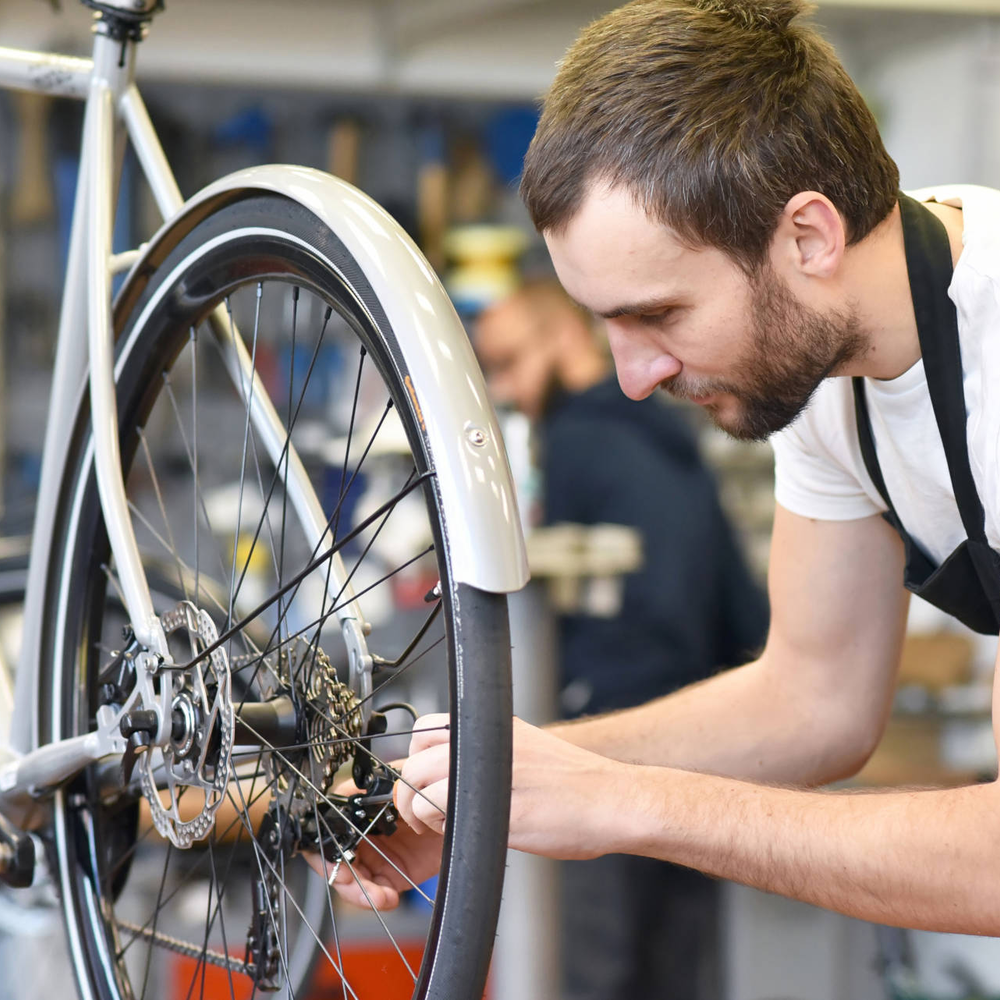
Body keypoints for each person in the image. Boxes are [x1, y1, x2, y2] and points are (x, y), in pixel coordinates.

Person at [336, 0, 1000, 941]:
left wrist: (633, 806)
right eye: (607, 324)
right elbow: (812, 700)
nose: (633, 379)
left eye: (661, 316)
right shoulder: (829, 376)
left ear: (808, 237)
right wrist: (486, 796)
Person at [474, 279, 768, 999]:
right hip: (703, 749)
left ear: (567, 339)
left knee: (595, 971)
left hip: (602, 743)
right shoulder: (677, 442)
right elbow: (747, 613)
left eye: (511, 363)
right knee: (683, 975)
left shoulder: (573, 440)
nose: (504, 390)